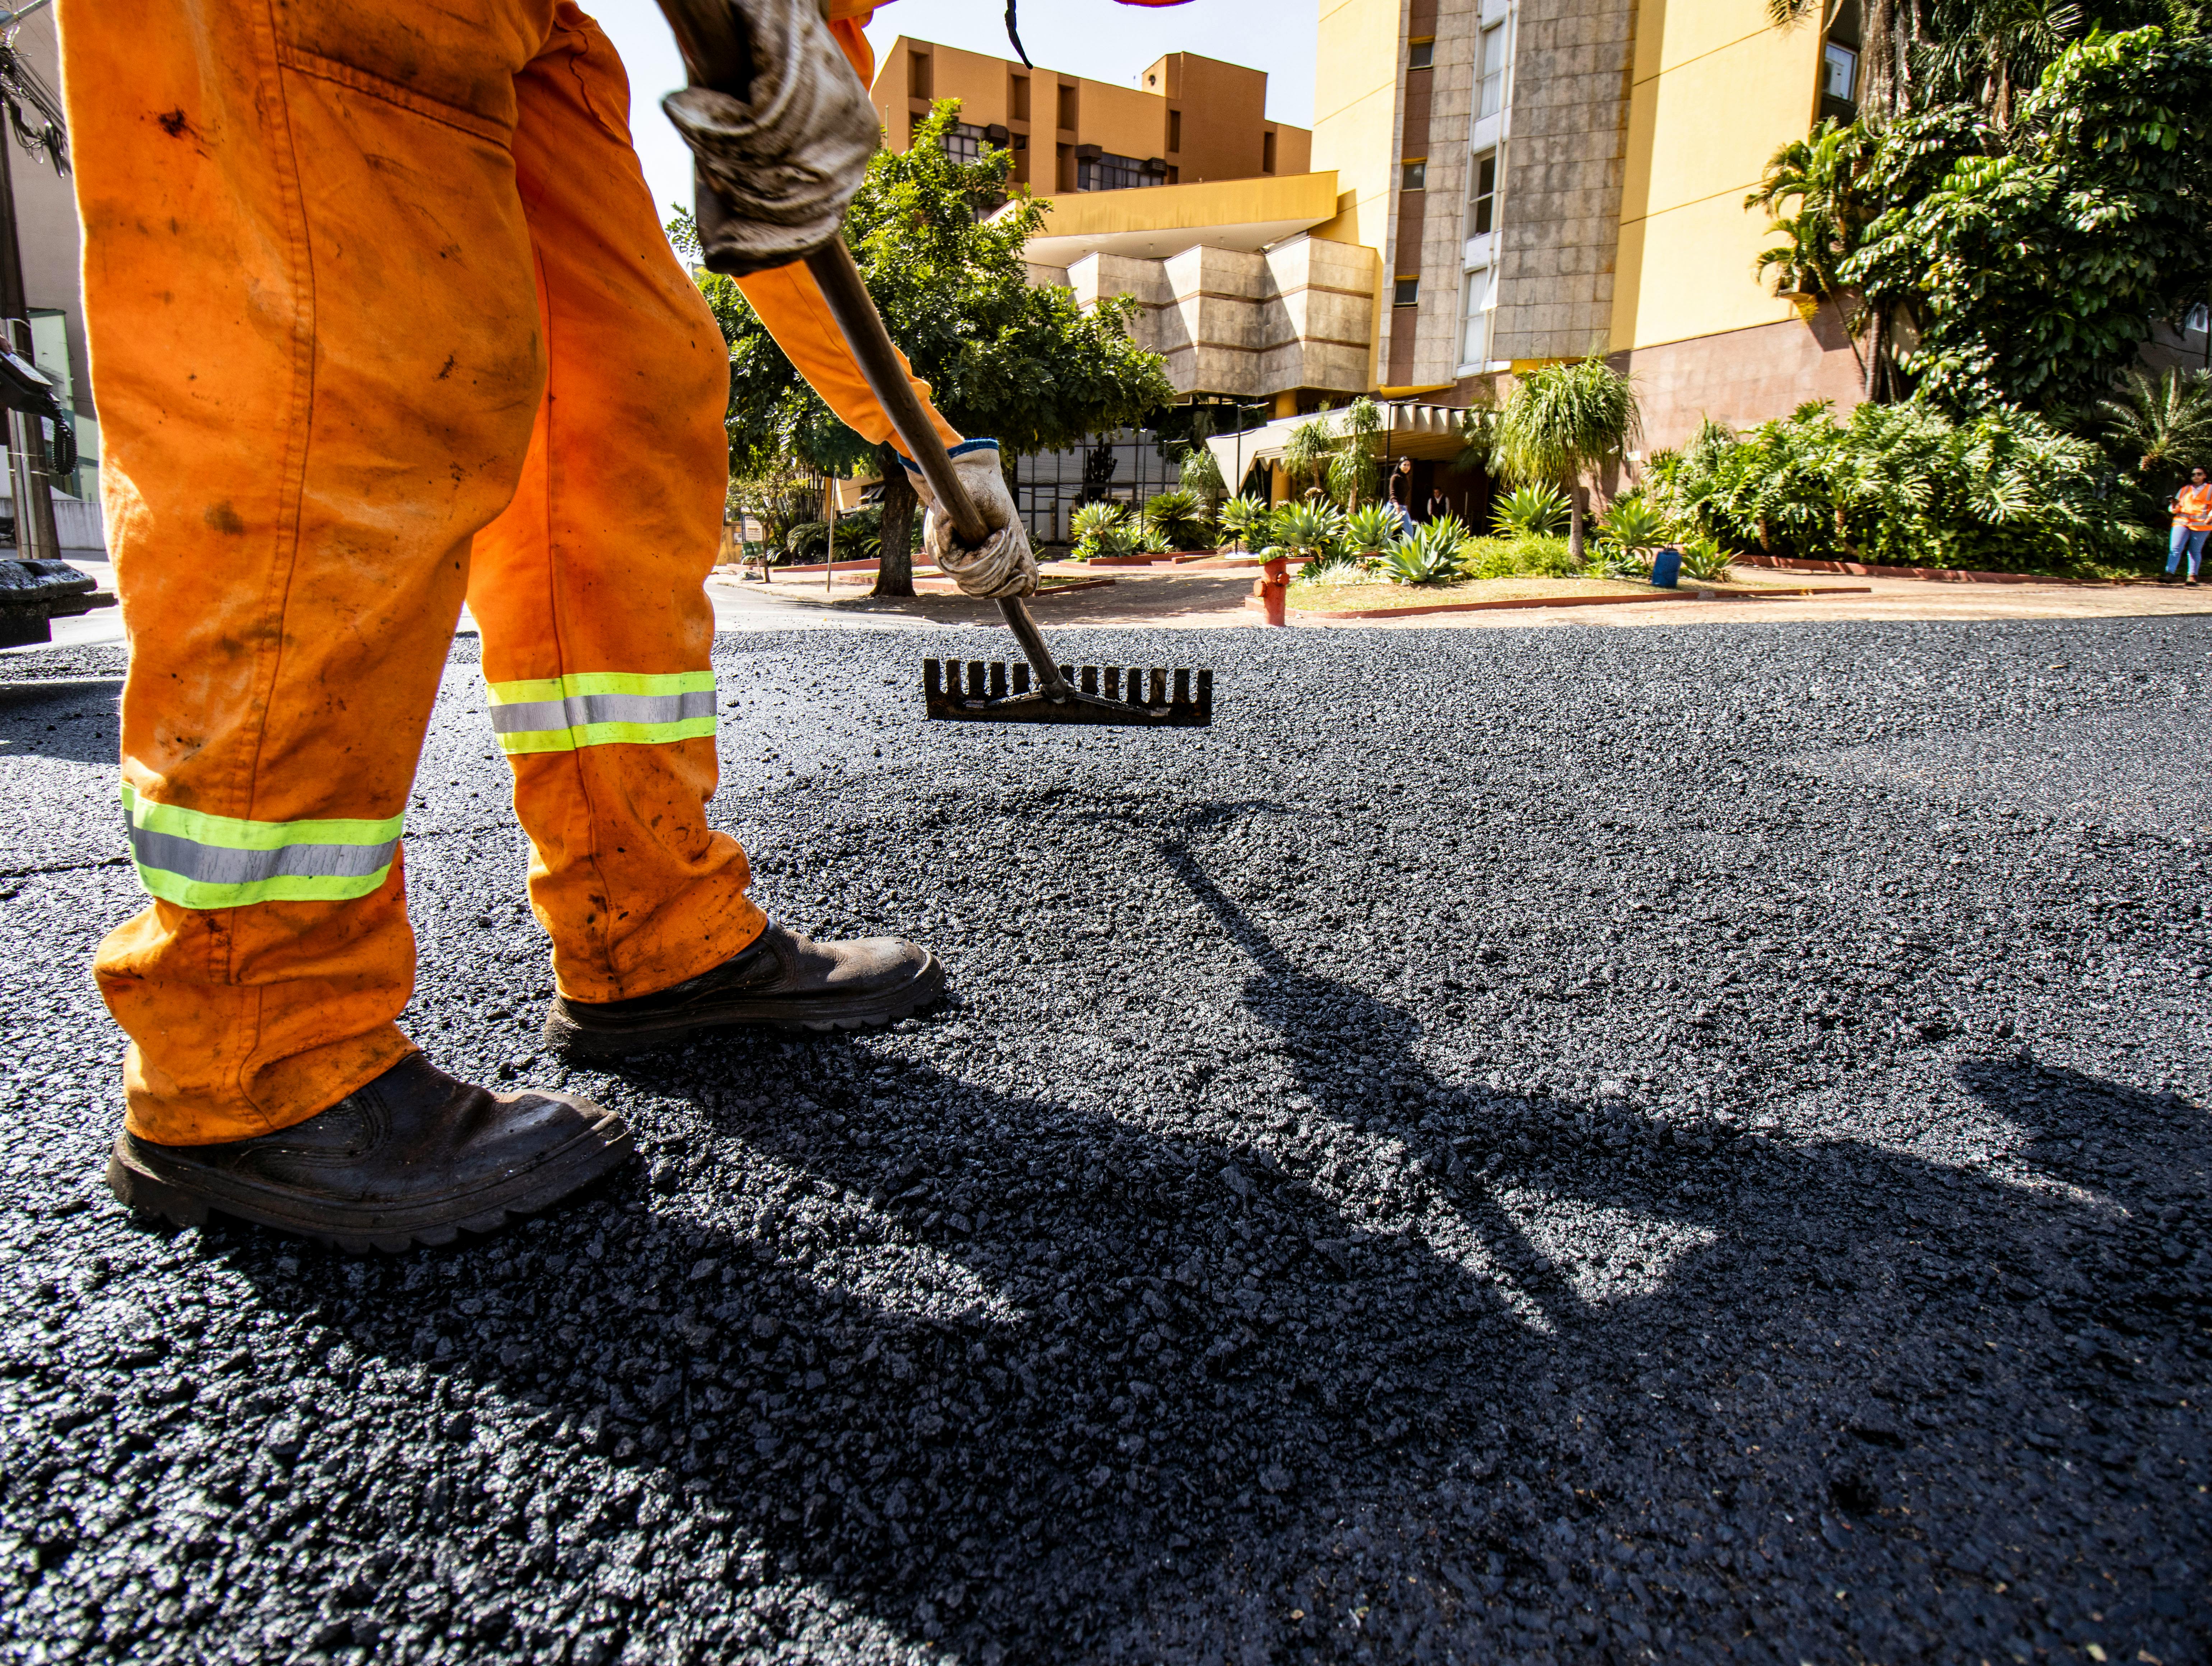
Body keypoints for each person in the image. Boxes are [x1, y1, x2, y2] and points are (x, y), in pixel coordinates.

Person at [57, 0, 1101, 1251]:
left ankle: (648, 927)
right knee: (364, 370)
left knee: (628, 393)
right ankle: (260, 1043)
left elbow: (773, 180)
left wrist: (929, 443)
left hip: (524, 23)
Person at [2166, 465, 2210, 586]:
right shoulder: (2185, 489)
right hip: (2182, 523)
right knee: (2175, 549)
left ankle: (2192, 576)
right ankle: (2169, 574)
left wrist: (2210, 519)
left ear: (2205, 476)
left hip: (2202, 525)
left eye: (2199, 474)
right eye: (2193, 474)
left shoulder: (2211, 489)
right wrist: (2174, 506)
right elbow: (2174, 509)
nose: (2196, 476)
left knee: (2194, 551)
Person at [1386, 457, 1416, 530]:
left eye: (1409, 465)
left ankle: (1410, 542)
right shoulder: (1395, 478)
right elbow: (1392, 494)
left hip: (1403, 507)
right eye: (1405, 465)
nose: (1407, 467)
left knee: (1409, 529)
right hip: (1393, 507)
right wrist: (1396, 506)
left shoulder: (1406, 478)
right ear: (1400, 466)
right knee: (1389, 531)